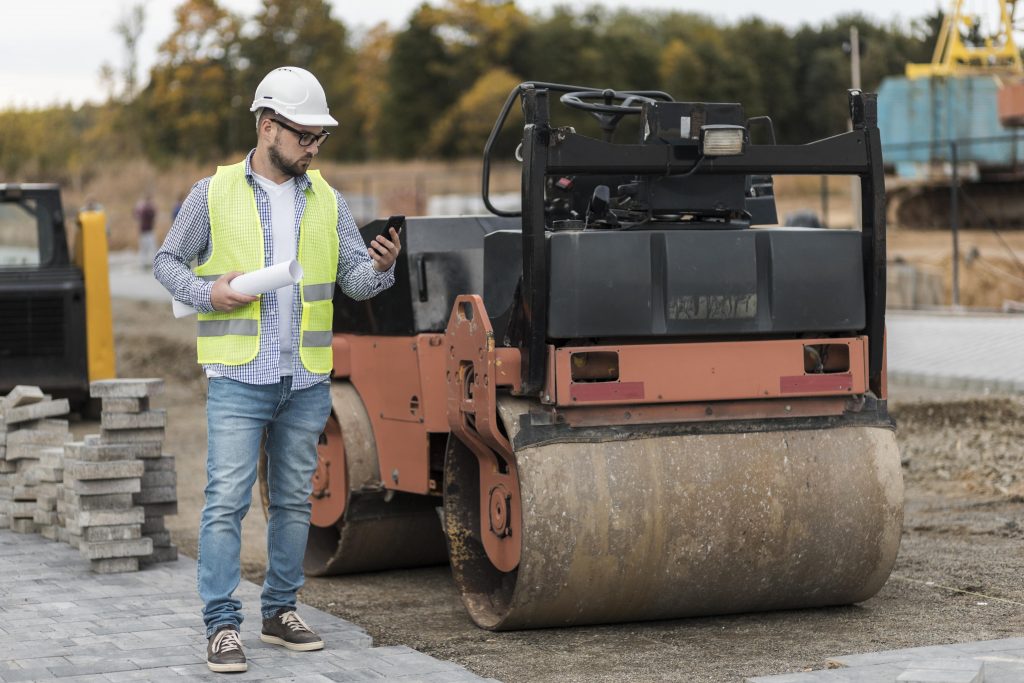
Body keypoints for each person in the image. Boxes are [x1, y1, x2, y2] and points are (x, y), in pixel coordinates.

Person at [153, 66, 401, 674]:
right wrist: (209, 293)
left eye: (320, 138)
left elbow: (354, 283)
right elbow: (167, 263)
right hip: (239, 376)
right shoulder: (212, 193)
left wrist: (382, 267)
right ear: (268, 127)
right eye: (305, 136)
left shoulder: (328, 201)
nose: (314, 148)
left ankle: (280, 611)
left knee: (293, 501)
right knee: (225, 503)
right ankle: (221, 625)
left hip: (305, 379)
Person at [134, 193, 156, 269]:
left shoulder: (144, 208)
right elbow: (135, 215)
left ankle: (150, 263)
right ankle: (143, 263)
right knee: (145, 249)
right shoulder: (145, 209)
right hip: (145, 232)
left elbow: (153, 214)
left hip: (148, 231)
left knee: (151, 248)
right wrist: (138, 208)